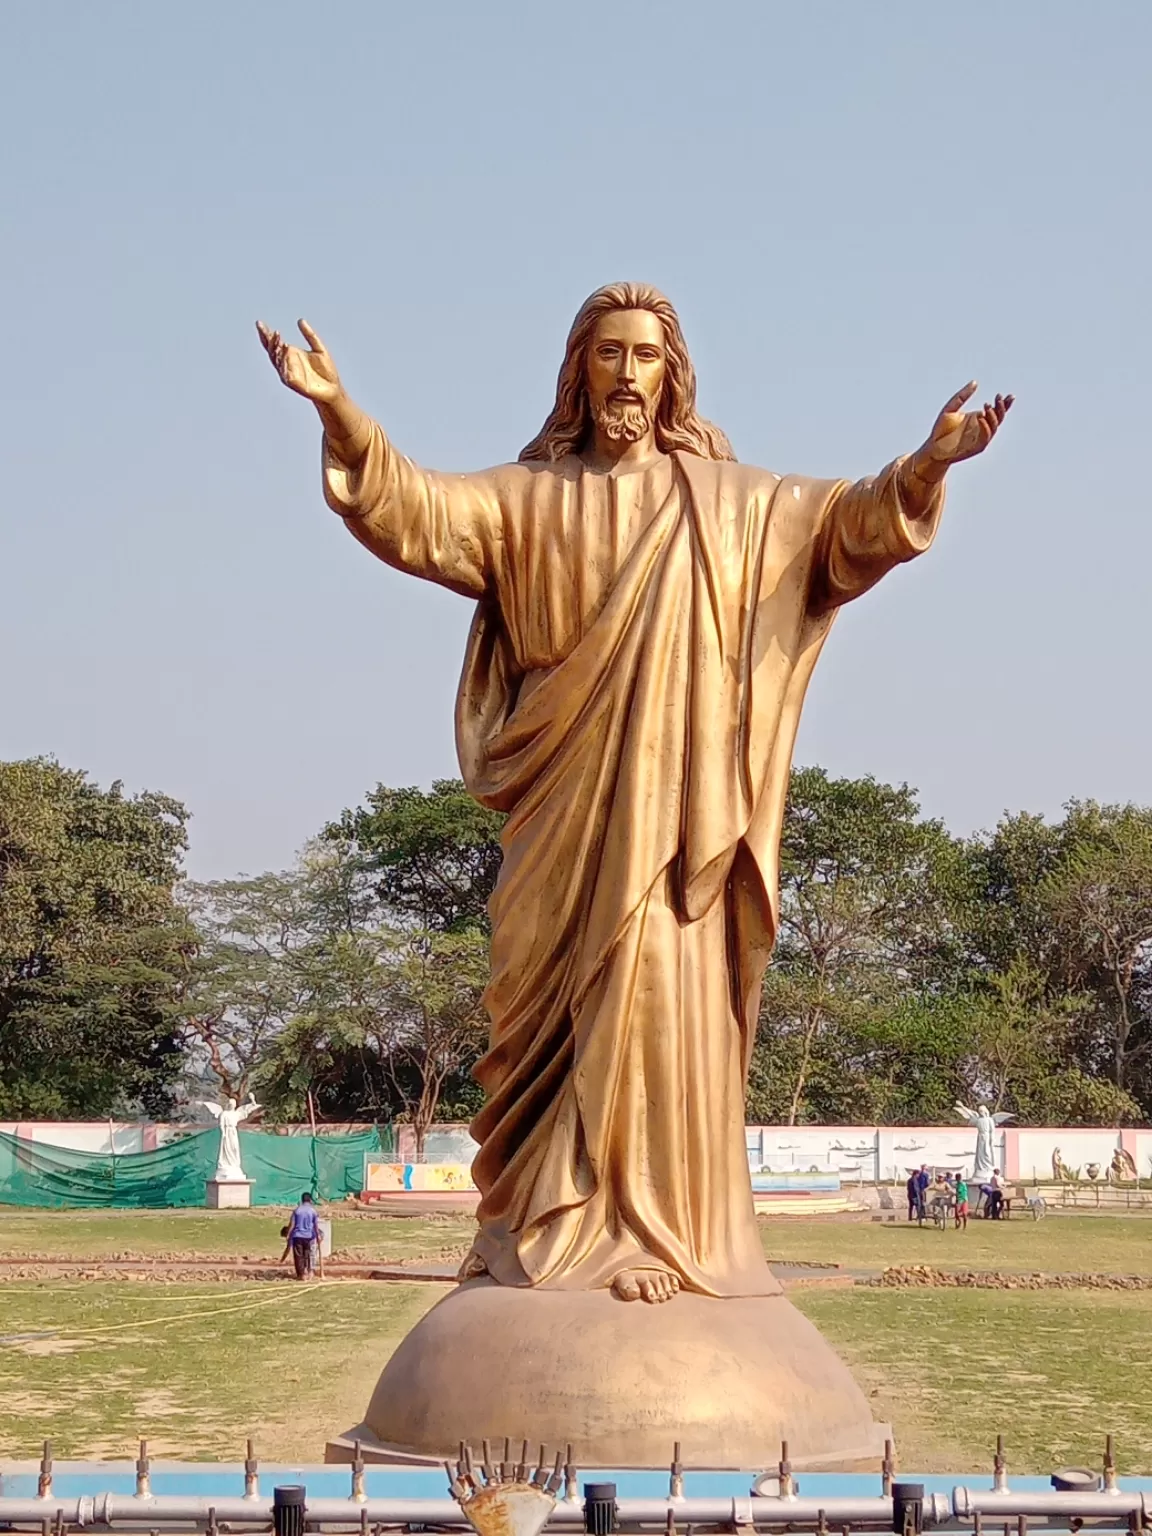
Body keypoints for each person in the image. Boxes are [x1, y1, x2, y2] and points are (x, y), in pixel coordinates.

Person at [258, 286, 1011, 1306]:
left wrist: (924, 466)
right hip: (559, 821)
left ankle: (650, 1237)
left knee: (659, 1001)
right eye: (606, 353)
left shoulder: (735, 505)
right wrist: (338, 409)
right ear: (579, 370)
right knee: (538, 1012)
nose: (624, 373)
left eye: (643, 356)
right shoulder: (525, 499)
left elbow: (842, 530)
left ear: (671, 373)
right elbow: (416, 510)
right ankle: (529, 1220)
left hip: (676, 837)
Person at [284, 1192, 320, 1279]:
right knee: (307, 1254)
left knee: (298, 1256)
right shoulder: (313, 1211)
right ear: (310, 1200)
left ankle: (302, 1274)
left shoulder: (297, 1210)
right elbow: (315, 1225)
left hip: (298, 1236)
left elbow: (292, 1224)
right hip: (309, 1236)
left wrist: (288, 1234)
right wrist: (318, 1235)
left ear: (302, 1200)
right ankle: (308, 1272)